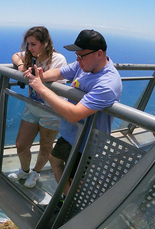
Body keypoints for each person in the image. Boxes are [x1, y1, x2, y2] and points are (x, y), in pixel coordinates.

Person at [24, 29, 122, 197]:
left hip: (87, 143)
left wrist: (40, 88)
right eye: (77, 55)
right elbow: (60, 72)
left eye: (81, 55)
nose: (78, 59)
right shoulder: (85, 64)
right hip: (71, 134)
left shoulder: (107, 84)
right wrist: (42, 77)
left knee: (77, 179)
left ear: (99, 53)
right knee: (55, 160)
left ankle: (71, 205)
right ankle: (66, 198)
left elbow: (74, 114)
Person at [8, 26, 67, 188]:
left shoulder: (58, 59)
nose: (29, 48)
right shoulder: (30, 56)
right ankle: (25, 170)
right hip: (32, 107)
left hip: (51, 111)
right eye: (28, 44)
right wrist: (21, 65)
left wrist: (38, 76)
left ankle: (36, 173)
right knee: (21, 145)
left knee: (45, 146)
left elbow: (57, 81)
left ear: (45, 43)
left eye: (33, 44)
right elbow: (15, 55)